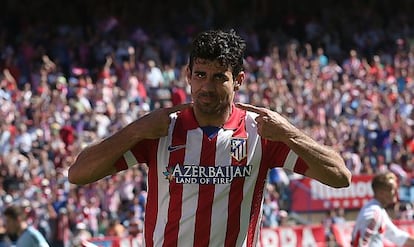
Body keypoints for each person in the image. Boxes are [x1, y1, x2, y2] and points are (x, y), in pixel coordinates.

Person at [68, 29, 351, 247]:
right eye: (200, 75)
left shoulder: (261, 132)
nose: (207, 86)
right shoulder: (160, 129)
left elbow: (340, 176)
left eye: (219, 77)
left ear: (238, 80)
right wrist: (135, 130)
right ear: (188, 75)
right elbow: (79, 173)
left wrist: (289, 133)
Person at [351, 171, 414, 246]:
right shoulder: (373, 213)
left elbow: (396, 236)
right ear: (380, 193)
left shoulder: (378, 210)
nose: (396, 192)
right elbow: (361, 243)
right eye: (392, 189)